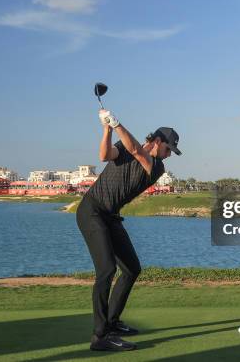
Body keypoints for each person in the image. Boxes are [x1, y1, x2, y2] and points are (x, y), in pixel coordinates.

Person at [76, 109, 181, 351]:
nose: (169, 155)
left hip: (110, 216)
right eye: (168, 149)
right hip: (91, 211)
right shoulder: (124, 147)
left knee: (132, 269)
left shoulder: (156, 167)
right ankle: (100, 336)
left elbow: (136, 150)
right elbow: (104, 155)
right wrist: (107, 129)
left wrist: (117, 123)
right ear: (157, 141)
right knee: (106, 270)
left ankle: (112, 322)